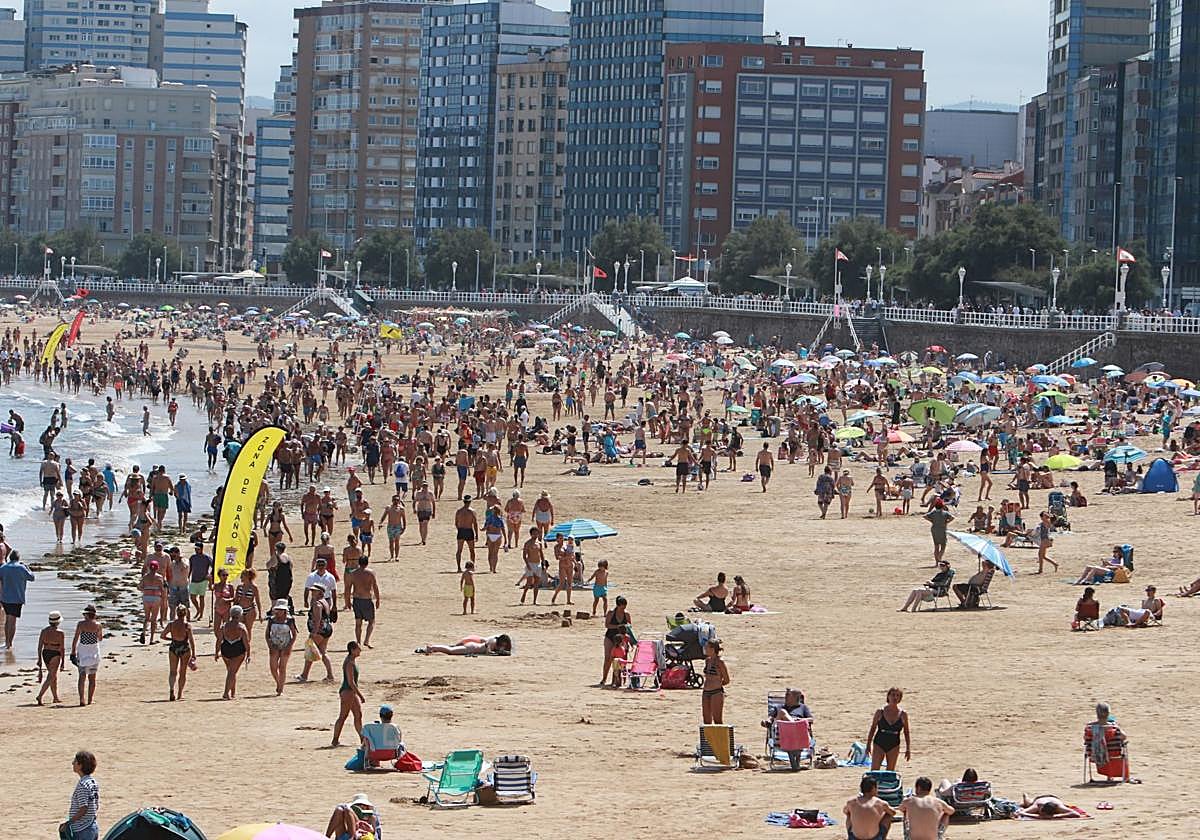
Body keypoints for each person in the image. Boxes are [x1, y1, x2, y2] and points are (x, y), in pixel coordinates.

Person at [866, 687, 911, 770]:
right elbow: (873, 728)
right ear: (888, 696)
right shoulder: (880, 712)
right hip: (879, 742)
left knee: (890, 771)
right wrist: (868, 745)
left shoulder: (903, 714)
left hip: (894, 743)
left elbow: (906, 732)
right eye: (893, 695)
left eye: (898, 695)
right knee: (875, 770)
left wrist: (908, 748)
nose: (895, 697)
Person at [332, 641, 365, 748]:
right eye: (358, 649)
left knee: (358, 715)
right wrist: (360, 695)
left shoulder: (351, 661)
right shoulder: (350, 663)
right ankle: (335, 740)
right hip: (347, 692)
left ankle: (363, 739)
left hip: (351, 692)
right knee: (343, 716)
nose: (360, 651)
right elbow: (351, 682)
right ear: (352, 650)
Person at [0, 548, 34, 649]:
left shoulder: (3, 567)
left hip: (5, 597)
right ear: (18, 558)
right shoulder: (21, 568)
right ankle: (9, 643)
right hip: (17, 597)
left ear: (10, 558)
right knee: (13, 621)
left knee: (8, 619)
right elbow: (32, 578)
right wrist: (27, 568)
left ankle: (6, 641)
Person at [214, 604, 250, 700]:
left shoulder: (224, 626)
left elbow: (219, 640)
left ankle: (233, 692)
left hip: (226, 650)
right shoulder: (241, 627)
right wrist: (248, 654)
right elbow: (246, 642)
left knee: (231, 671)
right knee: (232, 672)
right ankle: (226, 693)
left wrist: (216, 652)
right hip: (238, 651)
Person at [63, 750, 100, 840]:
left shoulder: (82, 785)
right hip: (92, 826)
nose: (72, 763)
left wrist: (69, 823)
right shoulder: (93, 782)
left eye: (75, 761)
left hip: (82, 830)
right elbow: (96, 805)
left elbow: (83, 808)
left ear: (80, 765)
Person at [843, 775, 895, 840]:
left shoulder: (851, 802)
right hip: (875, 837)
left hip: (855, 837)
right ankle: (883, 838)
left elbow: (845, 811)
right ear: (873, 788)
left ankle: (850, 836)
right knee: (888, 815)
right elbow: (893, 813)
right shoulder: (880, 803)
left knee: (849, 814)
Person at [345, 556, 381, 647]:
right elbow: (375, 586)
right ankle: (367, 640)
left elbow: (348, 588)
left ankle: (358, 642)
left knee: (358, 623)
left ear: (359, 563)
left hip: (357, 599)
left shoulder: (353, 573)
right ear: (367, 563)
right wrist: (378, 599)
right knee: (371, 621)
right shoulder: (371, 573)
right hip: (367, 599)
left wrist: (347, 601)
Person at [71, 605, 103, 706]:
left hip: (83, 651)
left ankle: (82, 699)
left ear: (87, 615)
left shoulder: (81, 624)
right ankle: (90, 700)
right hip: (94, 651)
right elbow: (100, 638)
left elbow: (76, 638)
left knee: (82, 676)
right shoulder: (98, 625)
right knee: (92, 678)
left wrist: (73, 652)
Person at [264, 599, 297, 695]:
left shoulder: (289, 620)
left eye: (281, 610)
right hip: (274, 645)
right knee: (273, 667)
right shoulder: (271, 620)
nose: (278, 612)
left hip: (286, 644)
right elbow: (267, 633)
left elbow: (294, 634)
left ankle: (280, 688)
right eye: (277, 609)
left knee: (282, 667)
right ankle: (279, 682)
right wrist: (270, 644)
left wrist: (289, 646)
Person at [163, 604, 195, 701]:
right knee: (182, 672)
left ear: (176, 613)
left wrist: (171, 639)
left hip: (174, 647)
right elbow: (191, 640)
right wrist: (194, 654)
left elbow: (162, 635)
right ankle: (180, 694)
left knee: (173, 672)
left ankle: (172, 689)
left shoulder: (171, 624)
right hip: (184, 647)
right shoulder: (187, 626)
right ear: (185, 613)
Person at [36, 610, 65, 705]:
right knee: (51, 676)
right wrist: (63, 661)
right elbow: (62, 648)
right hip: (55, 653)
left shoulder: (44, 631)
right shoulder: (60, 633)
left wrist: (39, 658)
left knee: (53, 676)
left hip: (45, 653)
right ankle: (40, 695)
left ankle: (55, 697)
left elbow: (40, 646)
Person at [601, 595, 631, 686]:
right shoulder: (611, 613)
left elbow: (630, 627)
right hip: (610, 637)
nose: (623, 609)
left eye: (624, 607)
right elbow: (607, 625)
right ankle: (604, 679)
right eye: (622, 607)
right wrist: (618, 627)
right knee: (608, 658)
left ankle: (620, 680)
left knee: (622, 660)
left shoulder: (626, 614)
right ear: (618, 606)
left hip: (621, 640)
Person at [701, 639, 730, 724]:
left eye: (707, 647)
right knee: (706, 720)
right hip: (706, 692)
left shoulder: (720, 662)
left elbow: (727, 679)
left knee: (717, 719)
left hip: (716, 692)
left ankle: (720, 734)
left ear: (712, 649)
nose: (705, 649)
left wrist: (717, 684)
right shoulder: (707, 660)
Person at [416, 634, 512, 656]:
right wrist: (498, 654)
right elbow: (488, 652)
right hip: (472, 648)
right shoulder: (493, 642)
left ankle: (432, 648)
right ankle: (432, 647)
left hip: (473, 646)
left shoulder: (494, 640)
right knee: (451, 651)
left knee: (451, 649)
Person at [923, 499, 953, 563]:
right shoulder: (945, 513)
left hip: (934, 529)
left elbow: (925, 516)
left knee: (936, 546)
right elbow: (952, 517)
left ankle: (937, 561)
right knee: (943, 546)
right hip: (942, 529)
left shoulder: (933, 512)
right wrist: (946, 522)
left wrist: (931, 521)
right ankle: (939, 558)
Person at [1013, 794, 1084, 819]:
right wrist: (1023, 813)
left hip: (1054, 799)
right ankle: (1026, 797)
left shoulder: (1059, 807)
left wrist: (1056, 816)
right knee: (1028, 804)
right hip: (1040, 799)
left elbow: (1076, 814)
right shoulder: (1037, 806)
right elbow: (1020, 813)